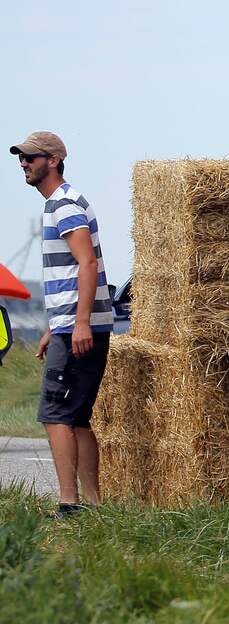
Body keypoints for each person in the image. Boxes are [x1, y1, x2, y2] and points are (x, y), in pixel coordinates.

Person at [12, 132, 113, 516]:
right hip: (70, 325)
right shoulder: (61, 203)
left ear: (53, 160)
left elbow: (87, 263)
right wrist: (55, 326)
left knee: (55, 416)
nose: (24, 163)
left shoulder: (64, 205)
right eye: (21, 158)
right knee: (77, 418)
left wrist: (79, 323)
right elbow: (71, 273)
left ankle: (69, 503)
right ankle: (92, 505)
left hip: (78, 327)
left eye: (30, 157)